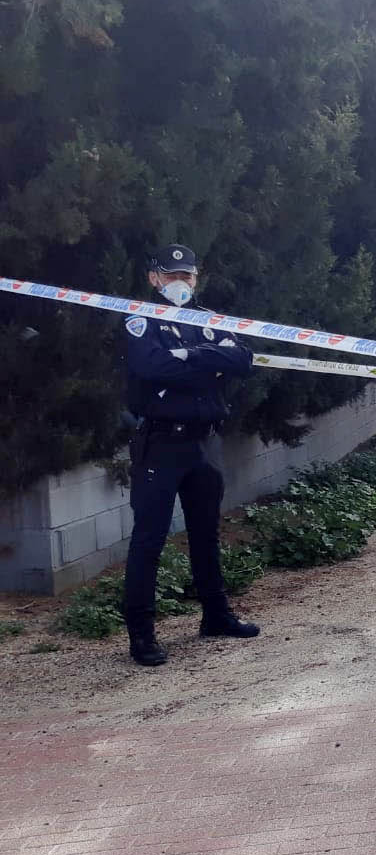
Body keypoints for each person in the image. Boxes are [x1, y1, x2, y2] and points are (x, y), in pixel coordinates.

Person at [122, 245, 259, 667]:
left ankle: (215, 615)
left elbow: (244, 359)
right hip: (161, 445)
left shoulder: (209, 319)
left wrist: (189, 356)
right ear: (154, 278)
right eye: (171, 275)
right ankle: (142, 634)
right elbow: (153, 368)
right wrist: (209, 362)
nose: (180, 283)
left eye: (187, 275)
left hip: (204, 443)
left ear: (197, 278)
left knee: (206, 532)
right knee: (150, 539)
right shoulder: (139, 320)